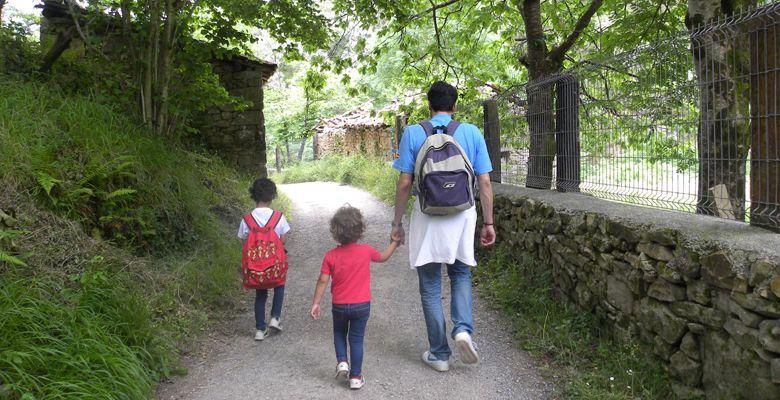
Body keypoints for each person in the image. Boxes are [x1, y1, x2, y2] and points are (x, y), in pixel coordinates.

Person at [391, 81, 496, 372]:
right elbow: (485, 182)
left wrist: (397, 223)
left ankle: (439, 354)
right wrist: (488, 223)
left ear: (429, 106)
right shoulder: (471, 132)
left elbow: (403, 184)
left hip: (427, 215)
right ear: (455, 106)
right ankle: (463, 329)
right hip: (463, 215)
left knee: (429, 284)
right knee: (460, 273)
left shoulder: (413, 132)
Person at [309, 205, 400, 390]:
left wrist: (316, 303)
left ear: (335, 233)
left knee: (339, 333)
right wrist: (394, 243)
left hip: (340, 305)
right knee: (356, 339)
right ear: (360, 231)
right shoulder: (365, 251)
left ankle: (342, 362)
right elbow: (382, 257)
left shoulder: (330, 256)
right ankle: (356, 377)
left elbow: (322, 280)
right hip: (362, 305)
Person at [237, 178, 291, 341]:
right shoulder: (278, 217)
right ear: (272, 196)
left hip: (256, 266)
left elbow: (243, 241)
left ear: (253, 195)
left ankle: (260, 329)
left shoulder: (247, 219)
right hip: (274, 264)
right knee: (279, 286)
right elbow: (283, 239)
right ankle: (275, 317)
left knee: (260, 294)